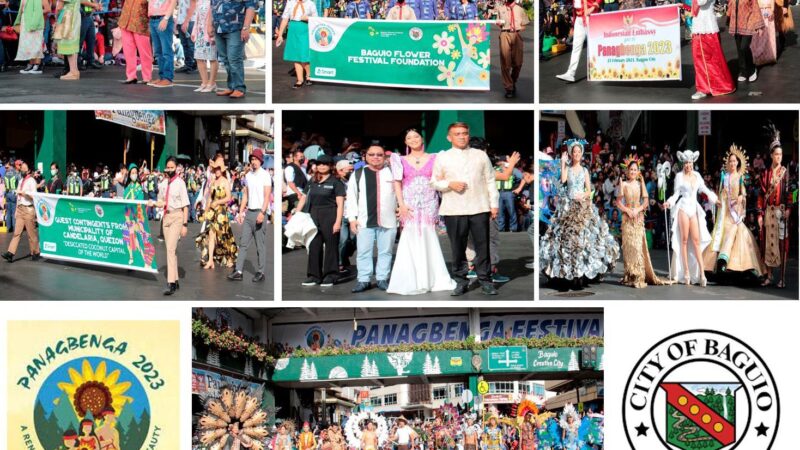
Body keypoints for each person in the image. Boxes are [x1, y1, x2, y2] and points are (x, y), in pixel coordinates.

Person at [539, 140, 619, 288]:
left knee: (583, 239)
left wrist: (583, 195)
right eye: (574, 152)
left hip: (582, 206)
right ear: (571, 154)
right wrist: (563, 162)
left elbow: (589, 189)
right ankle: (567, 272)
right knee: (567, 240)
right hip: (568, 206)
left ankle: (581, 274)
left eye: (578, 152)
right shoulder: (568, 169)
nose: (576, 154)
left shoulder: (585, 170)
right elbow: (563, 180)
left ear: (582, 154)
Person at [432, 123, 499, 296]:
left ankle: (485, 280)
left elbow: (490, 180)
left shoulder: (480, 155)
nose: (462, 136)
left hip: (479, 206)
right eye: (457, 134)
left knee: (483, 246)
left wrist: (494, 204)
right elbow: (434, 182)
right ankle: (461, 281)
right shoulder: (443, 157)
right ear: (449, 137)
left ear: (468, 135)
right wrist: (450, 184)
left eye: (464, 133)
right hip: (454, 209)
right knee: (457, 247)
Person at [386, 129, 456, 295]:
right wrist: (401, 204)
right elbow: (397, 183)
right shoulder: (399, 160)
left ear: (422, 138)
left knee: (428, 237)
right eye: (409, 137)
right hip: (409, 204)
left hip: (429, 203)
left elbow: (441, 179)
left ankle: (432, 279)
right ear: (405, 142)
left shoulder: (436, 157)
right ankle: (411, 280)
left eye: (416, 136)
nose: (413, 139)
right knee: (409, 238)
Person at [703, 146, 766, 277]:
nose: (732, 163)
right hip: (725, 211)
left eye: (734, 161)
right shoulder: (724, 177)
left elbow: (743, 193)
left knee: (739, 233)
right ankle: (718, 265)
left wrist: (741, 197)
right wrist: (722, 194)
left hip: (735, 212)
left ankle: (738, 266)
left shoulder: (740, 177)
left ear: (738, 163)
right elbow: (719, 194)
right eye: (730, 161)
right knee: (721, 233)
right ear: (728, 163)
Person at [661, 150, 719, 286]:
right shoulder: (679, 177)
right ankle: (686, 272)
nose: (688, 165)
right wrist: (669, 202)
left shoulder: (697, 176)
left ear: (693, 162)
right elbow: (676, 194)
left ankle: (702, 274)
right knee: (684, 241)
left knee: (697, 241)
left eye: (690, 162)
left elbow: (704, 189)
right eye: (686, 162)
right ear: (683, 163)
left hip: (693, 209)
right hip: (683, 208)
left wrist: (715, 199)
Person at [347, 144, 398, 293]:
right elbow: (351, 197)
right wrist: (352, 218)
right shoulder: (357, 174)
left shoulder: (393, 174)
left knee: (386, 251)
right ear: (365, 157)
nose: (375, 157)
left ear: (384, 157)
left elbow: (400, 195)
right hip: (364, 221)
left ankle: (382, 278)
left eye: (379, 154)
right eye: (372, 154)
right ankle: (364, 280)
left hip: (388, 220)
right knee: (363, 252)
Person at [616, 156, 672, 288]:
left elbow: (646, 201)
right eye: (631, 169)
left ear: (638, 171)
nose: (633, 172)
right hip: (627, 218)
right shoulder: (623, 184)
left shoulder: (640, 183)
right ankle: (630, 274)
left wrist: (638, 209)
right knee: (629, 248)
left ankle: (639, 275)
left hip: (638, 218)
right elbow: (618, 202)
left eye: (635, 169)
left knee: (637, 247)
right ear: (627, 171)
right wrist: (628, 210)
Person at [296, 155, 345, 287]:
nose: (322, 166)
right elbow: (304, 197)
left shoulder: (336, 182)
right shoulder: (312, 180)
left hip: (330, 214)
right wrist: (297, 212)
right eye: (319, 164)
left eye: (325, 164)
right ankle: (314, 276)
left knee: (331, 246)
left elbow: (340, 204)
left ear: (330, 166)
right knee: (314, 245)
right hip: (313, 215)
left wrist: (337, 222)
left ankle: (331, 275)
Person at [228, 149, 271, 282]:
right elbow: (246, 194)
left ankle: (261, 271)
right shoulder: (248, 176)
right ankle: (239, 271)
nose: (254, 162)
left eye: (256, 159)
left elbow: (267, 196)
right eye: (252, 159)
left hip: (259, 212)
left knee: (260, 245)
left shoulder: (265, 175)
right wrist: (241, 212)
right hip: (249, 212)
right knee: (243, 243)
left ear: (261, 161)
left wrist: (262, 213)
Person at [149, 157, 190, 295]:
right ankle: (176, 279)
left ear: (176, 168)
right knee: (170, 249)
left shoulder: (180, 183)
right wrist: (153, 203)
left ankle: (170, 283)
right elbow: (161, 201)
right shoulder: (164, 184)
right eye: (168, 167)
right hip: (166, 217)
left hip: (177, 216)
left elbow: (185, 205)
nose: (170, 169)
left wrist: (185, 224)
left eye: (172, 167)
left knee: (171, 249)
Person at [759, 123, 791, 287]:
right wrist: (759, 213)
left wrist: (789, 209)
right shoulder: (765, 174)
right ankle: (769, 275)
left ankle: (782, 278)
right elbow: (760, 194)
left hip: (781, 212)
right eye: (776, 154)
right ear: (771, 155)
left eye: (781, 154)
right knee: (767, 243)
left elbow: (792, 191)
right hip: (768, 213)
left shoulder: (786, 173)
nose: (779, 157)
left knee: (781, 244)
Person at [207, 0, 256, 97]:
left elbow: (251, 7)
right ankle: (231, 87)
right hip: (218, 28)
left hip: (235, 28)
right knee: (225, 59)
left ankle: (239, 88)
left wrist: (246, 28)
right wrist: (209, 25)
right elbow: (212, 7)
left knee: (234, 59)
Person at [690, 0, 736, 99]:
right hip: (700, 28)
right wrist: (683, 5)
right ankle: (704, 88)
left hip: (706, 29)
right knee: (700, 61)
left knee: (712, 61)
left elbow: (701, 2)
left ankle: (708, 88)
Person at [198, 158, 238, 270]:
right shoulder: (213, 182)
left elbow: (229, 197)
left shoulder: (225, 181)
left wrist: (218, 202)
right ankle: (210, 260)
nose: (216, 171)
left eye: (218, 169)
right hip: (213, 212)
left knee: (224, 236)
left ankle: (230, 257)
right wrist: (205, 212)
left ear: (222, 170)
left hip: (222, 212)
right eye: (215, 168)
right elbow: (210, 198)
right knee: (211, 235)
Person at [2, 162, 41, 263]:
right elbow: (18, 197)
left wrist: (25, 194)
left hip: (28, 209)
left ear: (28, 171)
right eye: (21, 168)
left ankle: (35, 252)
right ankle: (10, 253)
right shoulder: (21, 180)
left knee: (31, 233)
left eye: (24, 169)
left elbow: (34, 196)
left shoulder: (31, 181)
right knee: (16, 233)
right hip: (20, 208)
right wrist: (16, 210)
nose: (22, 170)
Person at [276, 0, 317, 89]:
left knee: (303, 54)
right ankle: (300, 79)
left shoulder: (310, 3)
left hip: (305, 29)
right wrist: (280, 35)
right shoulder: (290, 3)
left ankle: (309, 75)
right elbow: (285, 18)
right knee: (295, 55)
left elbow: (316, 19)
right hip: (293, 29)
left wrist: (308, 18)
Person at [555, 0, 599, 83]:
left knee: (593, 46)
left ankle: (597, 71)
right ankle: (570, 73)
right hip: (579, 19)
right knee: (576, 46)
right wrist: (573, 23)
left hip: (589, 16)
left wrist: (593, 7)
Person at [493, 0, 529, 98]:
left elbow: (524, 25)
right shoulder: (501, 9)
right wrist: (498, 23)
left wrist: (517, 28)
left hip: (516, 34)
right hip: (504, 34)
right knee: (505, 62)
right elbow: (499, 23)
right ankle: (509, 88)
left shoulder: (520, 9)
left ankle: (512, 81)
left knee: (518, 63)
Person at [728, 0, 764, 82]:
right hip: (736, 25)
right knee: (739, 49)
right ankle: (743, 71)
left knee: (744, 47)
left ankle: (752, 69)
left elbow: (756, 9)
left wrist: (759, 26)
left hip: (748, 23)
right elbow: (730, 7)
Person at [117, 0, 151, 84]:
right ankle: (131, 76)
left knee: (144, 52)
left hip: (141, 23)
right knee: (128, 51)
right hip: (125, 21)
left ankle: (147, 76)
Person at [148, 0, 178, 87]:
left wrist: (166, 18)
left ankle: (167, 78)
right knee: (158, 51)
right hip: (153, 19)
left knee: (166, 50)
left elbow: (173, 2)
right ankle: (162, 77)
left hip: (163, 18)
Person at [14, 0, 48, 74]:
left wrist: (34, 20)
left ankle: (37, 65)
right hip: (25, 21)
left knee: (36, 43)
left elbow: (44, 10)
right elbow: (21, 10)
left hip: (34, 22)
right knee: (28, 45)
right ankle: (31, 64)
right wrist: (18, 22)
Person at [192, 0, 219, 92]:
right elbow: (197, 18)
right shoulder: (199, 1)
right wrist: (194, 31)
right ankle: (204, 83)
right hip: (200, 32)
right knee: (199, 58)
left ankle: (212, 83)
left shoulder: (213, 1)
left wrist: (212, 28)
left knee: (212, 58)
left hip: (209, 32)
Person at [53, 0, 83, 80]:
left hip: (68, 16)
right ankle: (75, 71)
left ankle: (73, 72)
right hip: (75, 15)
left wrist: (56, 18)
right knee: (74, 42)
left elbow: (59, 7)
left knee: (68, 43)